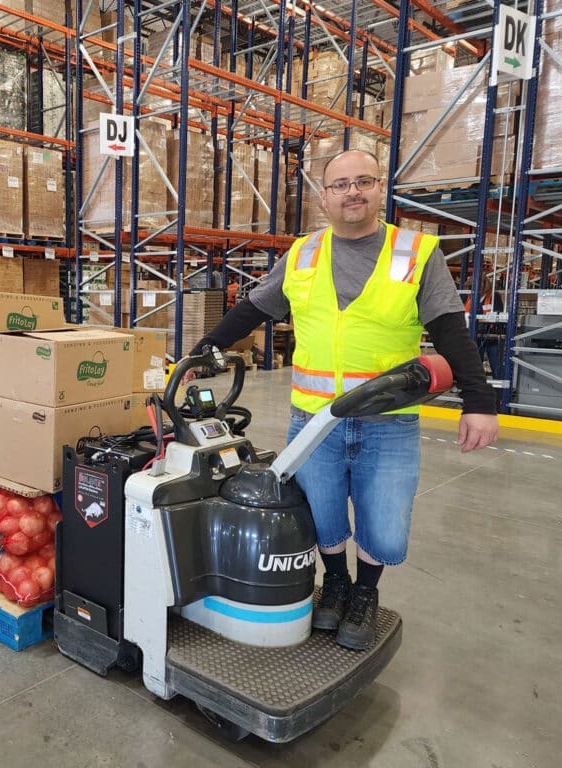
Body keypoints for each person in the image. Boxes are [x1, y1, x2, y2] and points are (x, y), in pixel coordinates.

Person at [187, 150, 499, 650]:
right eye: (340, 184)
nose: (352, 191)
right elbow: (252, 309)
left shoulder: (416, 252)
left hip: (387, 419)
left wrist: (479, 401)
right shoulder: (303, 253)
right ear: (324, 196)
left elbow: (449, 330)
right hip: (314, 420)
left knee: (385, 523)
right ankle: (334, 583)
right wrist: (201, 353)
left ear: (380, 189)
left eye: (363, 181)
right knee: (323, 514)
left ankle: (365, 593)